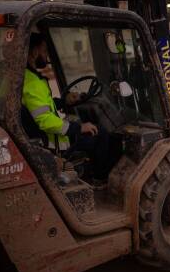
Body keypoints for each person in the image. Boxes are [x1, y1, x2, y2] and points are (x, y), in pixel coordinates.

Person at [22, 33, 113, 187]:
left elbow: (40, 107)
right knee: (100, 133)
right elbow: (45, 121)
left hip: (39, 137)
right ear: (35, 51)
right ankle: (100, 180)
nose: (46, 56)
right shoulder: (32, 83)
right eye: (44, 51)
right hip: (50, 144)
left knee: (81, 125)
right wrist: (79, 127)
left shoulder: (24, 77)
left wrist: (64, 101)